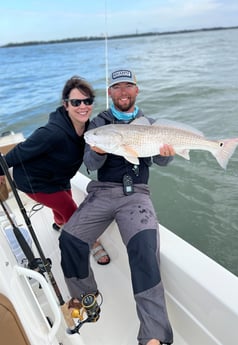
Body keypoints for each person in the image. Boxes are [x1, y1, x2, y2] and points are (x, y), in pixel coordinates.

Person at [59, 69, 174, 345]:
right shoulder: (99, 123)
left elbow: (162, 162)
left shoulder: (149, 124)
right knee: (70, 239)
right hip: (104, 192)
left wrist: (166, 153)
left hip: (137, 196)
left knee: (145, 248)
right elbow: (90, 162)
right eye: (117, 87)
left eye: (128, 87)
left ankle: (154, 335)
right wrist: (98, 152)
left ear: (137, 90)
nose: (123, 92)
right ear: (110, 93)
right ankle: (87, 295)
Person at [0, 76, 110, 265]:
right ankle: (91, 242)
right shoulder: (52, 132)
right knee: (71, 210)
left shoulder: (86, 129)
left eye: (87, 101)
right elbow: (18, 152)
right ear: (66, 104)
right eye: (76, 102)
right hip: (35, 181)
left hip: (59, 176)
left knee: (62, 207)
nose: (83, 106)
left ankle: (60, 224)